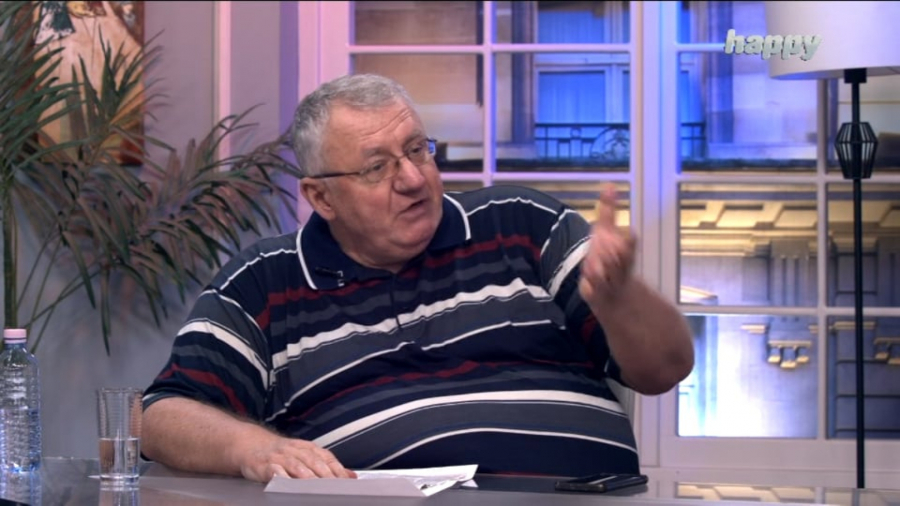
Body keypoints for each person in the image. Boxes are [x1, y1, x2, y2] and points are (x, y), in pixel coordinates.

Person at [141, 73, 695, 483]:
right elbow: (159, 416)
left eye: (416, 150)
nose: (412, 178)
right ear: (320, 197)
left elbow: (666, 369)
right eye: (376, 167)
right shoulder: (263, 283)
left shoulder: (522, 223)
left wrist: (620, 298)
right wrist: (255, 449)